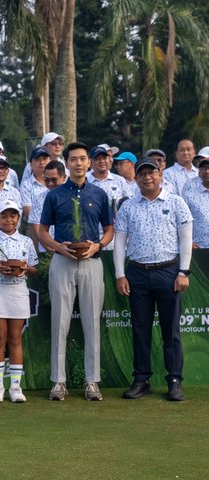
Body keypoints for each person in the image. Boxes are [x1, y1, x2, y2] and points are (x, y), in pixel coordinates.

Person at [38, 142, 113, 401]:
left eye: (83, 159)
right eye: (73, 159)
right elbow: (42, 231)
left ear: (89, 163)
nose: (78, 163)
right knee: (60, 321)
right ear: (66, 163)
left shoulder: (100, 195)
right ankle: (59, 382)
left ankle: (92, 382)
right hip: (63, 260)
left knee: (92, 322)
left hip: (92, 261)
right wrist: (58, 247)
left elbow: (109, 229)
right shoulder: (55, 195)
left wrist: (98, 245)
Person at [114, 157, 193, 401]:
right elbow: (119, 241)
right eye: (142, 174)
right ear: (136, 178)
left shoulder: (176, 202)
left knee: (171, 330)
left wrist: (183, 271)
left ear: (160, 175)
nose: (147, 177)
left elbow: (186, 238)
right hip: (137, 272)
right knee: (140, 329)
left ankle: (174, 380)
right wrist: (120, 274)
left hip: (168, 271)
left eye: (152, 173)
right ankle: (141, 379)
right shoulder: (128, 206)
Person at [0, 199, 38, 403]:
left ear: (18, 218)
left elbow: (35, 270)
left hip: (18, 292)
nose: (8, 220)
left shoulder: (26, 242)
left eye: (12, 216)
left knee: (15, 339)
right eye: (4, 216)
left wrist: (26, 268)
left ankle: (15, 387)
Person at [28, 160, 67, 251]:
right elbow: (37, 228)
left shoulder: (72, 197)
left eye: (54, 179)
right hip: (47, 249)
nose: (50, 183)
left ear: (64, 177)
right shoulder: (38, 199)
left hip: (69, 247)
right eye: (46, 180)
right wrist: (50, 248)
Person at [20, 148, 51, 247]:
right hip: (34, 227)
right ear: (31, 164)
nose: (42, 162)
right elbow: (27, 211)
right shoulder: (26, 185)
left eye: (44, 159)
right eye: (37, 160)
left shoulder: (56, 182)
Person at [182, 148, 209, 248]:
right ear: (198, 171)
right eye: (203, 168)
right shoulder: (189, 195)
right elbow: (182, 221)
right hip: (198, 248)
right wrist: (188, 242)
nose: (207, 171)